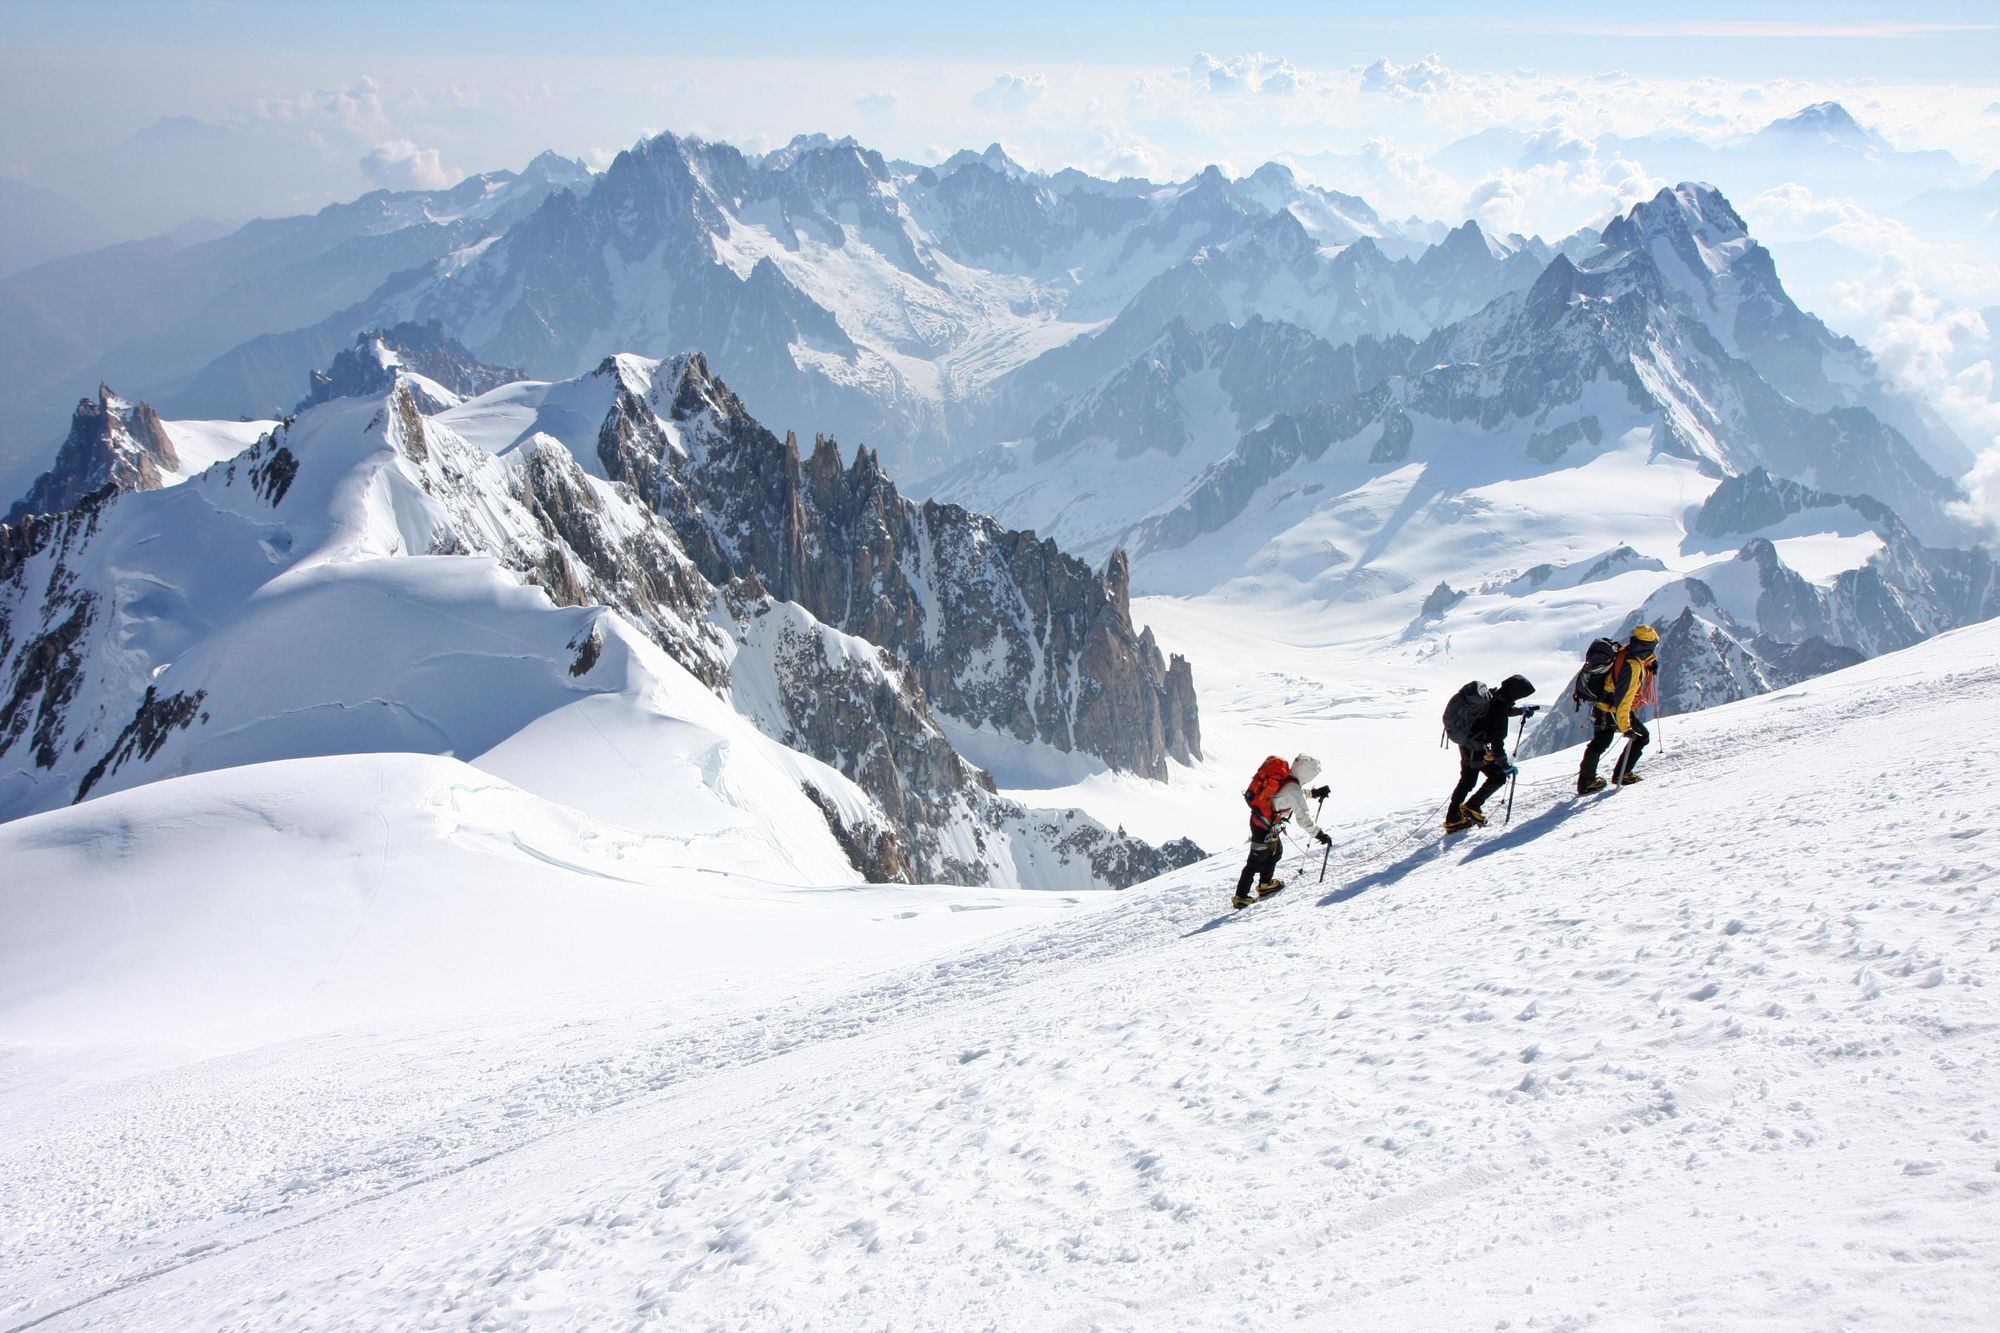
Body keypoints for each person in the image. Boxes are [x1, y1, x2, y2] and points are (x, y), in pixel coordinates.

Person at [1233, 753, 1331, 909]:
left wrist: (1314, 793)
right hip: (1264, 826)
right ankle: (1241, 896)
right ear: (1307, 773)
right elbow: (1303, 817)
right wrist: (1319, 834)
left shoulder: (1288, 779)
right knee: (1255, 861)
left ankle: (1265, 884)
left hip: (1264, 823)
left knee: (1275, 852)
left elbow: (1288, 796)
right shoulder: (1293, 788)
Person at [1444, 675, 1538, 832]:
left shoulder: (1493, 695)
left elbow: (1498, 711)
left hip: (1467, 744)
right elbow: (1497, 741)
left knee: (1467, 780)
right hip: (1477, 749)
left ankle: (1453, 819)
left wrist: (1519, 711)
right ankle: (1472, 806)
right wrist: (1504, 765)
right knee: (1499, 777)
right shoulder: (1499, 706)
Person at [1578, 624, 1660, 794]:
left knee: (1600, 741)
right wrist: (1626, 727)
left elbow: (1639, 658)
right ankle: (1621, 775)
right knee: (1641, 737)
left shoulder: (1628, 650)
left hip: (1603, 704)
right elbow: (1624, 700)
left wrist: (1650, 663)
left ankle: (1587, 781)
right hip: (1612, 708)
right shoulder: (1633, 667)